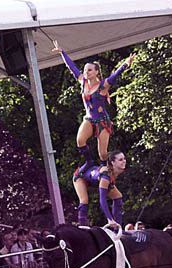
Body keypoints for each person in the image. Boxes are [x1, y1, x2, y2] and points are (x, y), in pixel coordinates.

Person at [52, 40, 135, 170]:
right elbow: (72, 67)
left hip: (102, 121)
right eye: (85, 70)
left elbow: (114, 76)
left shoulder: (103, 86)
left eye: (89, 70)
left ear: (97, 72)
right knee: (80, 141)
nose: (86, 72)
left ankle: (105, 168)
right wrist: (62, 52)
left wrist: (125, 64)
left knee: (102, 153)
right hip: (89, 119)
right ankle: (89, 162)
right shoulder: (83, 82)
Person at [73, 150, 126, 227]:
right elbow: (102, 199)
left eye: (124, 158)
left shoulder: (117, 170)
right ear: (113, 163)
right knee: (84, 200)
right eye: (121, 160)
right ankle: (82, 227)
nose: (124, 161)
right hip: (81, 177)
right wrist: (109, 219)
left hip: (96, 180)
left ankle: (117, 228)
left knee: (118, 196)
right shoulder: (105, 175)